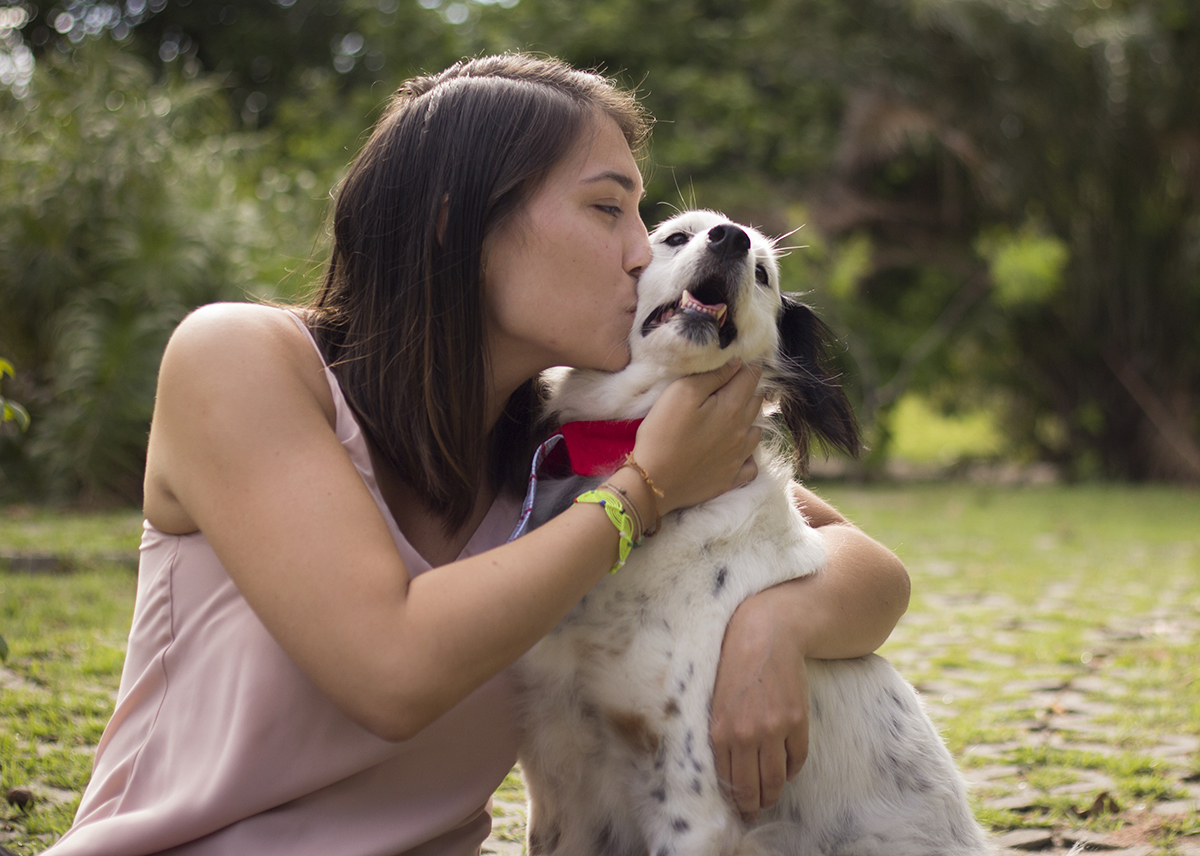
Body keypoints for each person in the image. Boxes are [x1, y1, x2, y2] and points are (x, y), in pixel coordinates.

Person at [46, 54, 909, 855]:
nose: (644, 252)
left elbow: (872, 573)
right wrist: (644, 491)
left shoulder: (548, 451)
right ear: (455, 225)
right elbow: (391, 671)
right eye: (608, 208)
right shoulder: (241, 360)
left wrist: (769, 625)